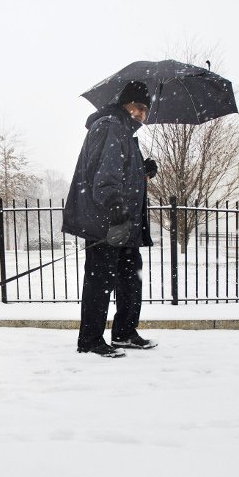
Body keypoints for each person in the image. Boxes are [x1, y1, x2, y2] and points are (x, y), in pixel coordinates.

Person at [63, 80, 158, 358]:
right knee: (100, 280)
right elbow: (104, 175)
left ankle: (125, 332)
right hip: (106, 222)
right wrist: (114, 205)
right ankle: (91, 339)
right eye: (138, 107)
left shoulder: (124, 131)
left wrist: (143, 172)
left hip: (125, 225)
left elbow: (122, 173)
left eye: (145, 110)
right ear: (125, 103)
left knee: (130, 279)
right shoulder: (110, 125)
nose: (141, 114)